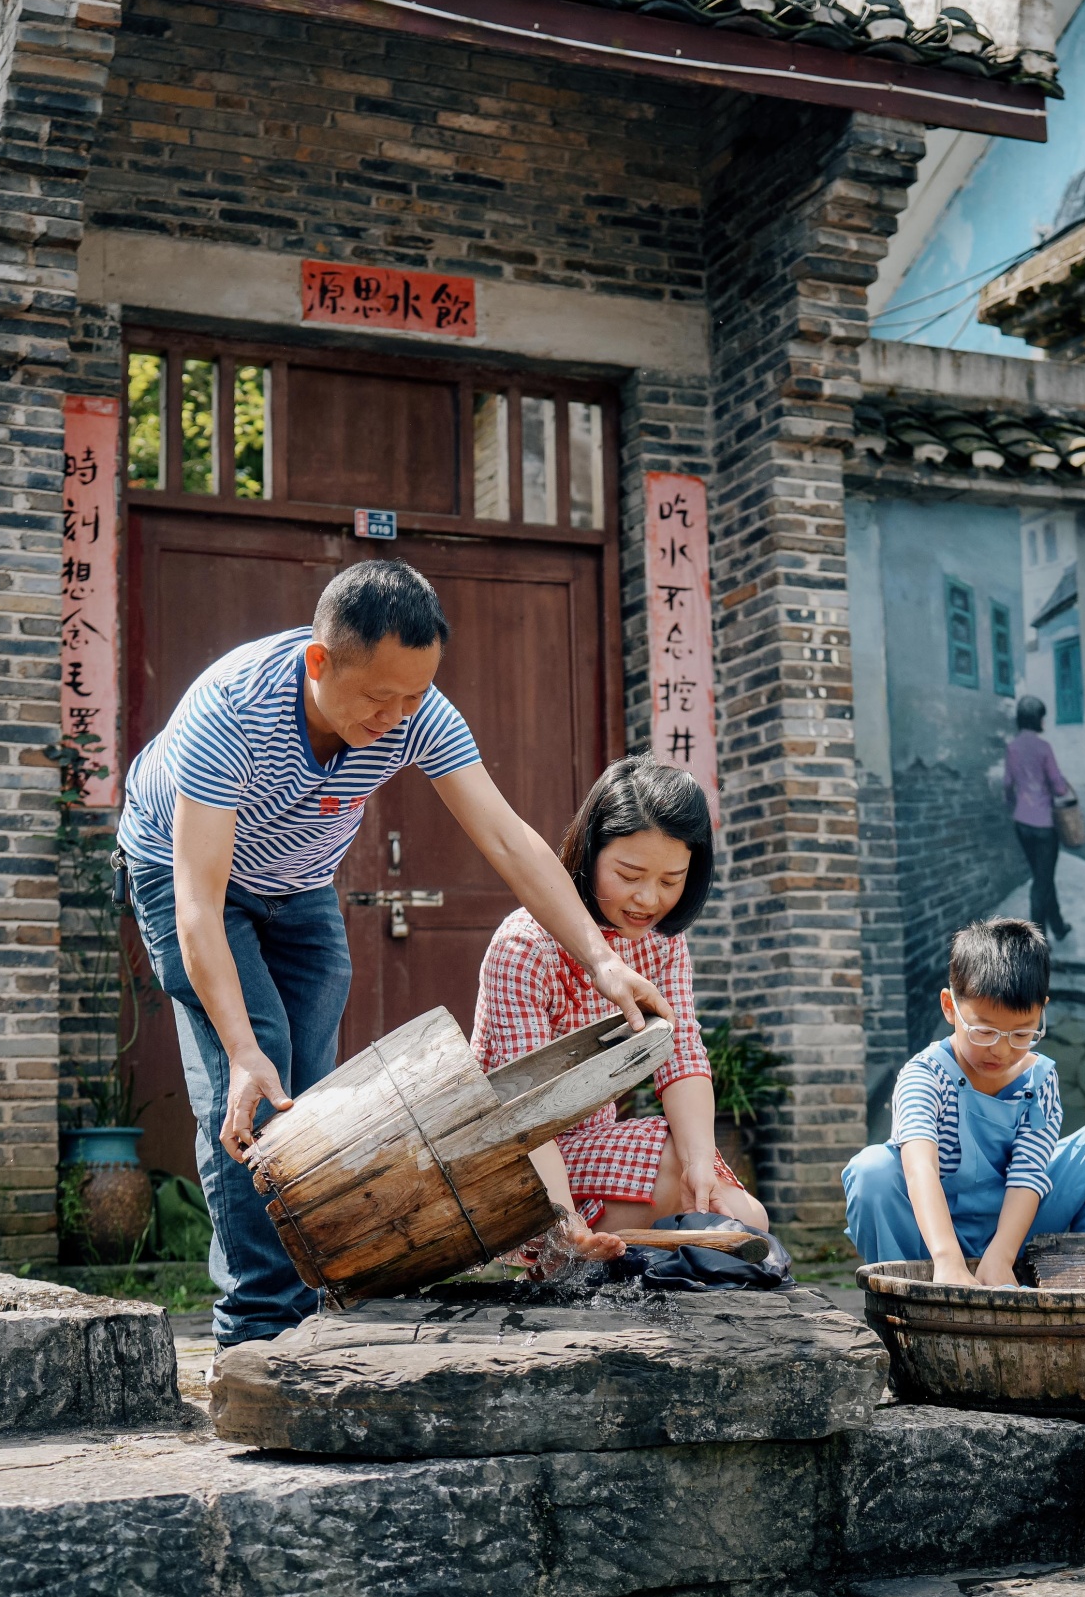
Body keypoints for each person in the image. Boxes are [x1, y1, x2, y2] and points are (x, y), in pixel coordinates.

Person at [116, 560, 671, 1346]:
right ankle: (256, 1331)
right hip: (186, 874)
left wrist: (602, 960)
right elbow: (199, 903)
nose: (400, 717)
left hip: (299, 879)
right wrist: (239, 1050)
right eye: (381, 697)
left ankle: (312, 1302)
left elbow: (508, 839)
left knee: (311, 1101)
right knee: (258, 1080)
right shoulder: (231, 711)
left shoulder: (418, 712)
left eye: (415, 695)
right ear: (319, 661)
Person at [470, 758, 769, 1264]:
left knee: (746, 1218)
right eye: (629, 875)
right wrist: (562, 1220)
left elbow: (681, 1055)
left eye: (671, 880)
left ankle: (597, 1258)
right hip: (511, 1159)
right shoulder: (525, 946)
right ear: (590, 852)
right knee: (710, 1214)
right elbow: (526, 1109)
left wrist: (701, 1163)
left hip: (590, 1147)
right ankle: (563, 1249)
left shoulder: (661, 944)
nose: (648, 899)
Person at [841, 918, 1085, 1283]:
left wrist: (1001, 1256)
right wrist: (948, 1260)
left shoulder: (1039, 1080)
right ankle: (911, 1295)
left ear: (1041, 1011)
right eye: (984, 1031)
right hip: (932, 1239)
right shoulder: (925, 1076)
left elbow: (1028, 1174)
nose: (1000, 1050)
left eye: (1022, 1033)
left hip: (1018, 1231)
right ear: (950, 1006)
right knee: (871, 1171)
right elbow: (921, 1170)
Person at [1004, 695, 1076, 940]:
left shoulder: (1012, 747)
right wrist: (1062, 785)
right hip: (1044, 825)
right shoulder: (1044, 747)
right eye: (1042, 717)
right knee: (1041, 883)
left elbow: (1007, 784)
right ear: (1036, 719)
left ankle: (1058, 926)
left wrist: (1014, 805)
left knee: (1042, 876)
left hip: (1022, 824)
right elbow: (1059, 788)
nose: (1044, 721)